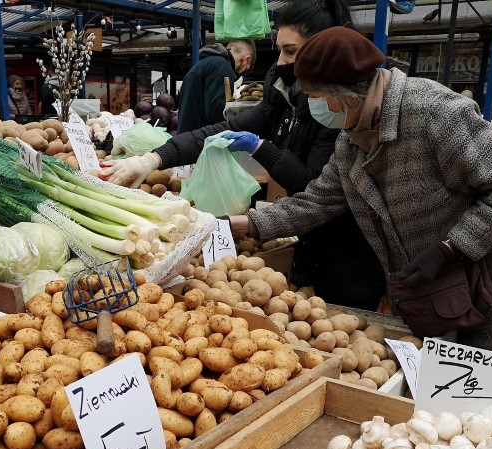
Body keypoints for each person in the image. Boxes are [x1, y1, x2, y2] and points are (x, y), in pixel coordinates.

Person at [229, 26, 492, 388]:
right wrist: (241, 224)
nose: (315, 107)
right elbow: (318, 200)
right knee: (464, 397)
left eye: (316, 96)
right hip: (447, 291)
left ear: (343, 95)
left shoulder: (435, 113)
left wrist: (451, 247)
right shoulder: (353, 141)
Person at [101, 0, 387, 310]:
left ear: (323, 51)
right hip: (302, 237)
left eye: (290, 51)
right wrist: (152, 159)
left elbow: (313, 187)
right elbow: (218, 131)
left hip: (347, 252)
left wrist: (260, 148)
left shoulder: (340, 114)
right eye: (279, 50)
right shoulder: (280, 98)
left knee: (341, 317)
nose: (280, 62)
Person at [174, 39, 256, 133]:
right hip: (200, 143)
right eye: (246, 69)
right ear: (245, 60)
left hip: (187, 139)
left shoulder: (204, 63)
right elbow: (216, 112)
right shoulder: (222, 66)